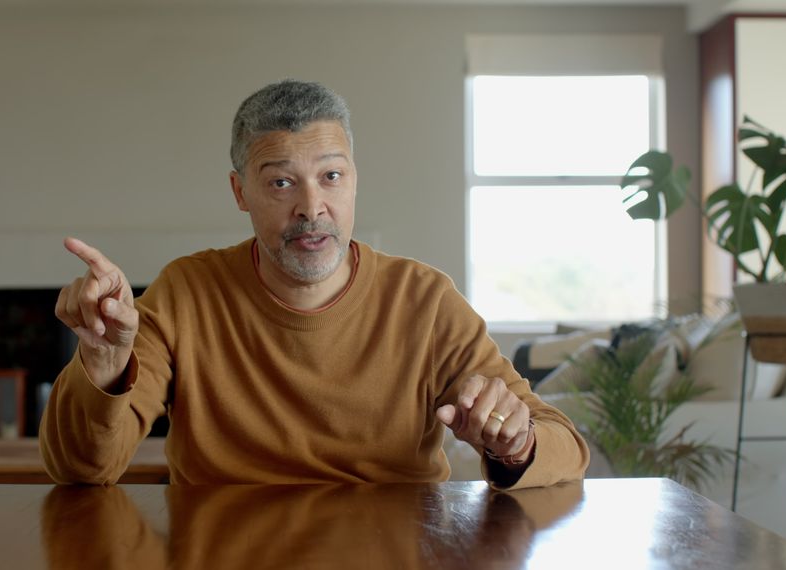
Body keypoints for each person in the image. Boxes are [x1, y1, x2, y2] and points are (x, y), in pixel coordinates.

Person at [40, 79, 589, 489]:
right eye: (281, 182)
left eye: (331, 176)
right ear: (240, 192)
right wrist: (107, 365)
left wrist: (516, 444)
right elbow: (79, 470)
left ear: (354, 180)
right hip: (221, 548)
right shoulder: (187, 292)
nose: (312, 208)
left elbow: (566, 447)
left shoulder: (423, 300)